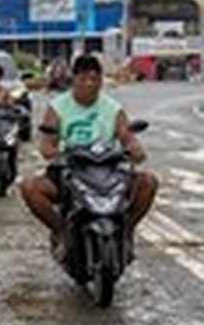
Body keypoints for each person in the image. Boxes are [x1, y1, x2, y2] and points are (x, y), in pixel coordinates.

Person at [19, 54, 158, 261]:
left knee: (148, 182)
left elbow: (127, 136)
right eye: (84, 79)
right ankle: (61, 230)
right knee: (30, 188)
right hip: (70, 170)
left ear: (102, 80)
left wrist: (135, 149)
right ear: (73, 79)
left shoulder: (112, 108)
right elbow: (47, 144)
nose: (90, 84)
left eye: (95, 79)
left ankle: (127, 231)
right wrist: (56, 152)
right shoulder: (58, 107)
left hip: (109, 170)